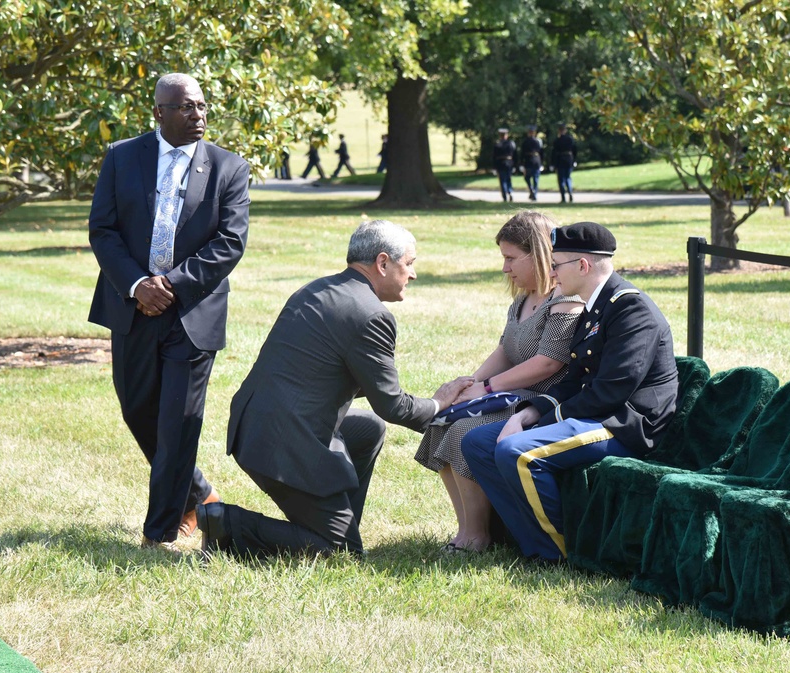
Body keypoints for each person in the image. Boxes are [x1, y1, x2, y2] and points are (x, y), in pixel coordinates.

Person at [199, 221, 473, 559]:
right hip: (284, 443)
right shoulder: (370, 314)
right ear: (383, 262)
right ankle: (226, 523)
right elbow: (393, 406)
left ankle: (339, 523)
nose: (413, 275)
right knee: (341, 553)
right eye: (410, 263)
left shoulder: (318, 289)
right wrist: (438, 403)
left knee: (367, 429)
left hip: (257, 425)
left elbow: (323, 374)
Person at [88, 73, 250, 553]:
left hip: (191, 312)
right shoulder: (121, 156)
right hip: (132, 307)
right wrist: (138, 285)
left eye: (202, 106)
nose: (197, 115)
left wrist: (171, 286)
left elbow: (230, 242)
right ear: (159, 112)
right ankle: (198, 494)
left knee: (179, 422)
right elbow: (103, 229)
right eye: (185, 108)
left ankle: (159, 532)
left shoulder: (228, 167)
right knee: (137, 409)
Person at [461, 222, 678, 562]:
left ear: (583, 265)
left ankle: (555, 553)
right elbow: (575, 379)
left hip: (624, 426)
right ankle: (524, 541)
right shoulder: (597, 305)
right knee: (477, 442)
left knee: (518, 452)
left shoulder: (631, 309)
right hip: (593, 417)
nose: (550, 272)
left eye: (556, 264)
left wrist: (544, 420)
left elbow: (609, 392)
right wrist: (529, 413)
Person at [414, 211, 583, 552]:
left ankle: (477, 536)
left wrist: (489, 388)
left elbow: (547, 364)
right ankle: (468, 527)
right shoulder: (523, 299)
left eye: (510, 258)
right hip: (512, 395)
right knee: (441, 423)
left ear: (538, 254)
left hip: (539, 404)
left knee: (464, 432)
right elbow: (506, 350)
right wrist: (469, 382)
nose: (505, 268)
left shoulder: (565, 300)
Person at [551, 123, 577, 203]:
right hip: (569, 160)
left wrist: (553, 163)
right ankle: (570, 193)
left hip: (560, 161)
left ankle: (563, 197)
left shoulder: (557, 141)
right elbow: (575, 150)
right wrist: (574, 160)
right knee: (568, 178)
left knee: (561, 179)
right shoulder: (570, 139)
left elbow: (554, 153)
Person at [520, 125, 544, 201]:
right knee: (535, 179)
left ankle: (532, 190)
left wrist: (521, 164)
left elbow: (522, 154)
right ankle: (534, 192)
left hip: (529, 161)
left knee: (528, 177)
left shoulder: (525, 142)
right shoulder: (538, 141)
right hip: (536, 161)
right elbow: (542, 153)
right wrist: (541, 163)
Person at [493, 128, 517, 202]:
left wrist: (494, 167)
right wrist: (515, 165)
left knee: (502, 180)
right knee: (508, 179)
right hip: (509, 163)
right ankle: (510, 192)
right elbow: (515, 155)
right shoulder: (511, 143)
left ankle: (504, 195)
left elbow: (494, 157)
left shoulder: (497, 144)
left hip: (500, 164)